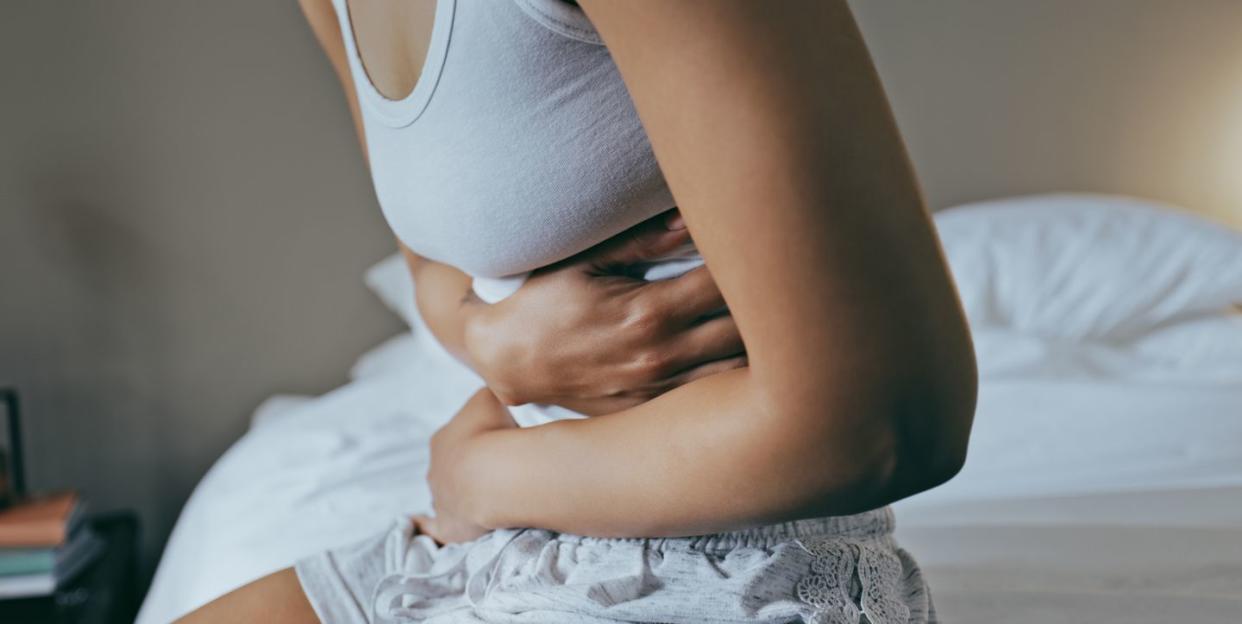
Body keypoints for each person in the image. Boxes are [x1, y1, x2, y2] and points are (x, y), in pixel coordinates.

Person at [180, 0, 977, 622]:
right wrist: (493, 340)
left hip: (734, 563)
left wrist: (481, 475)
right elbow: (432, 263)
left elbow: (890, 425)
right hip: (521, 541)